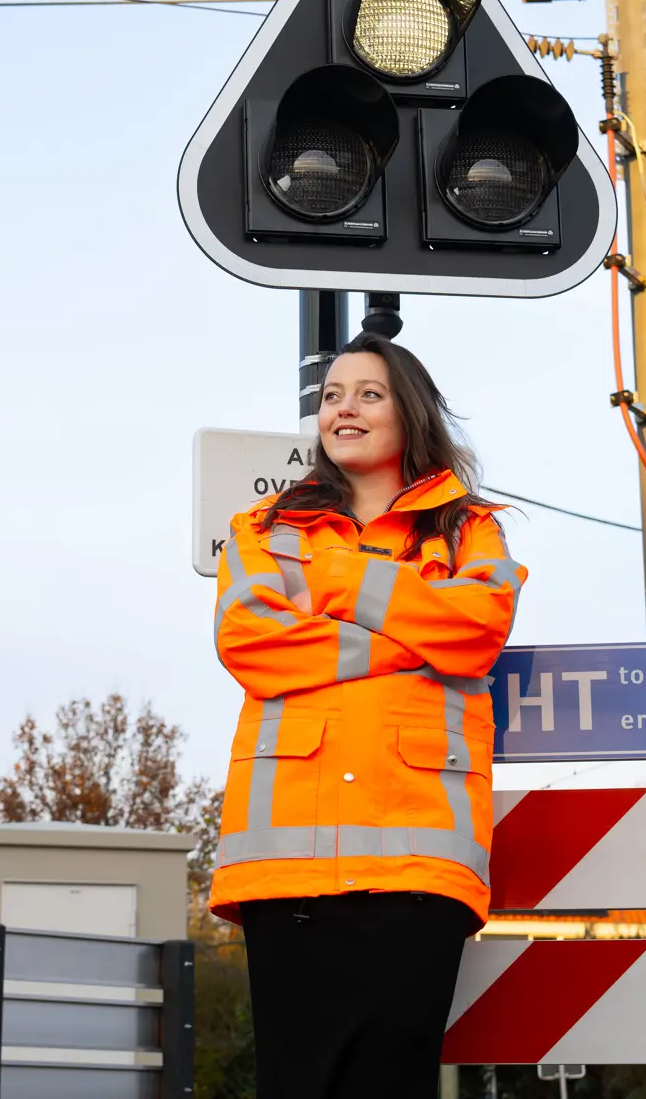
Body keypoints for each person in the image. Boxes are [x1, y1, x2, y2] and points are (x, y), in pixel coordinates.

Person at [209, 331, 525, 1099]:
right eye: (331, 396)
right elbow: (253, 643)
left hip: (418, 863)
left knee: (391, 1081)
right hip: (286, 864)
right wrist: (414, 641)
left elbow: (477, 627)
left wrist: (341, 582)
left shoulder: (466, 529)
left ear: (408, 414)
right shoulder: (263, 530)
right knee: (299, 1083)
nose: (342, 408)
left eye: (368, 394)